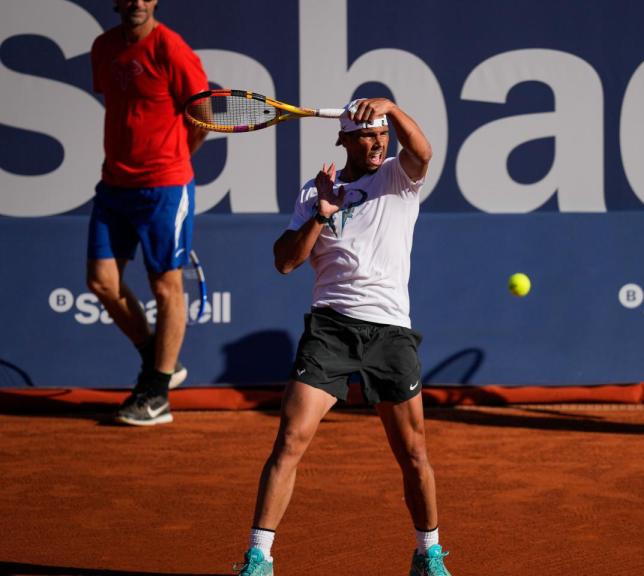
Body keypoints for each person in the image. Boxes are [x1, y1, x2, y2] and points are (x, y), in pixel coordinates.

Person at [233, 98, 453, 576]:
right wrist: (320, 214)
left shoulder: (399, 176)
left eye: (382, 134)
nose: (378, 143)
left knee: (413, 453)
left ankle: (428, 553)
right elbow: (285, 262)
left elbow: (425, 150)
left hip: (390, 331)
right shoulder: (315, 192)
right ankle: (258, 557)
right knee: (290, 439)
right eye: (367, 135)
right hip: (330, 327)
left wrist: (391, 107)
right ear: (344, 140)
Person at [87, 0, 208, 426]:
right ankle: (160, 364)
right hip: (114, 185)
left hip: (164, 187)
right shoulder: (103, 47)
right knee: (101, 282)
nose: (138, 1)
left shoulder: (172, 50)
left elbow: (204, 114)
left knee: (166, 286)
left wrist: (173, 162)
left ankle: (156, 395)